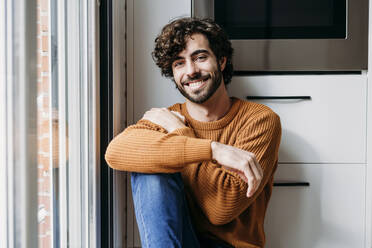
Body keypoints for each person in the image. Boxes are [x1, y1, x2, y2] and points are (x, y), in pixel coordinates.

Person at [105, 17, 282, 248]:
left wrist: (181, 134)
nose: (191, 71)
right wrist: (213, 150)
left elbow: (221, 209)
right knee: (150, 171)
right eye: (179, 63)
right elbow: (115, 153)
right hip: (174, 242)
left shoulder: (258, 120)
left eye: (200, 57)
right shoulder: (166, 118)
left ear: (221, 60)